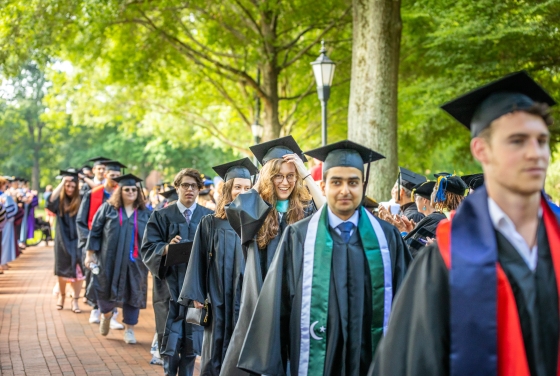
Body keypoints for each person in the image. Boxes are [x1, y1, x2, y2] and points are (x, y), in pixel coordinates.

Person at [371, 71, 560, 376]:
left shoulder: (556, 239)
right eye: (517, 141)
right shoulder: (446, 257)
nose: (535, 153)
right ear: (481, 150)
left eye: (542, 141)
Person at [237, 140, 412, 375]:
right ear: (324, 185)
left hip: (371, 358)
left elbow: (409, 304)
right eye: (336, 182)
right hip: (314, 356)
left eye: (353, 182)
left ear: (364, 185)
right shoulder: (299, 236)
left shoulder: (387, 238)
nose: (344, 190)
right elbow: (278, 306)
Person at [219, 136, 325, 375]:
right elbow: (236, 213)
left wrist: (305, 172)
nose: (285, 182)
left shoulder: (306, 209)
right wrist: (264, 176)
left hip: (296, 297)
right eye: (278, 176)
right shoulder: (258, 210)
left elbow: (328, 213)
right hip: (262, 299)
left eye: (290, 176)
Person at [179, 158, 258, 375]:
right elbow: (198, 259)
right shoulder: (210, 223)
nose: (242, 192)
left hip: (246, 297)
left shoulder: (258, 224)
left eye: (247, 188)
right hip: (217, 297)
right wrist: (196, 295)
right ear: (228, 190)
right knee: (214, 348)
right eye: (237, 187)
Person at [141, 168, 213, 376]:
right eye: (185, 185)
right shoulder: (161, 215)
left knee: (192, 341)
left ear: (199, 189)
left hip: (196, 290)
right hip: (168, 288)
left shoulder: (208, 217)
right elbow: (147, 248)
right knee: (169, 341)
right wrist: (165, 248)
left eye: (193, 185)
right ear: (177, 187)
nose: (189, 189)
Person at [84, 174, 150, 344]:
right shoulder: (107, 209)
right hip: (108, 260)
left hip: (135, 263)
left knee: (133, 294)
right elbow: (95, 232)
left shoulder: (145, 213)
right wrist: (89, 254)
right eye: (126, 189)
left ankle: (129, 330)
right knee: (104, 291)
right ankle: (106, 315)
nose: (130, 192)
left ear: (138, 192)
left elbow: (153, 238)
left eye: (134, 189)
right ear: (119, 191)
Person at [77, 160, 126, 326]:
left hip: (116, 244)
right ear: (105, 175)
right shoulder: (92, 194)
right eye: (112, 175)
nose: (115, 178)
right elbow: (81, 221)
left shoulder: (124, 195)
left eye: (118, 176)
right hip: (97, 244)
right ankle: (95, 309)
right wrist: (89, 242)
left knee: (115, 277)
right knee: (96, 277)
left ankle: (112, 315)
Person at [47, 170, 84, 313]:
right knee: (62, 270)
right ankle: (61, 297)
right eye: (67, 186)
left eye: (72, 186)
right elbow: (50, 201)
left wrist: (83, 178)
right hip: (62, 239)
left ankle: (75, 300)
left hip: (78, 239)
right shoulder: (59, 200)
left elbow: (96, 193)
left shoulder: (81, 199)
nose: (69, 189)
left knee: (79, 271)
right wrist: (63, 181)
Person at [402, 181, 447, 257]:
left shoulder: (432, 220)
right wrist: (410, 230)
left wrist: (402, 231)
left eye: (416, 198)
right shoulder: (438, 217)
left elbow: (410, 251)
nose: (415, 201)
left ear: (424, 200)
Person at [0, 177, 17, 270]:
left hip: (4, 222)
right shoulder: (4, 196)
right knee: (4, 242)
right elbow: (8, 210)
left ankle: (3, 262)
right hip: (4, 223)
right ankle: (2, 263)